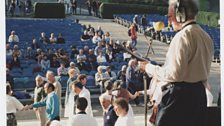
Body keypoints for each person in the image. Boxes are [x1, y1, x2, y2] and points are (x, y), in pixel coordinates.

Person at [138, 0, 213, 126]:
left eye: (170, 16)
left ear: (180, 14)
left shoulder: (182, 36)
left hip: (180, 99)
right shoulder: (206, 36)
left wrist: (149, 68)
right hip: (199, 95)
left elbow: (175, 74)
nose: (168, 21)